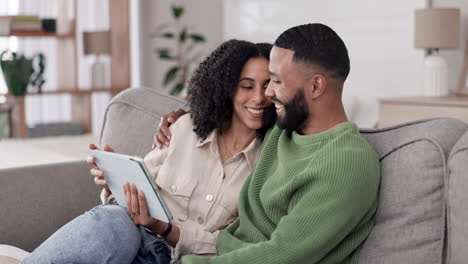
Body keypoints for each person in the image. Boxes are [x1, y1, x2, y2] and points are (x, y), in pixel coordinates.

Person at [22, 40, 276, 264]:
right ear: (227, 88)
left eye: (267, 86)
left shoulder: (269, 164)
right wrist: (114, 184)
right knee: (114, 223)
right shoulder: (183, 129)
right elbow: (125, 203)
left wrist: (163, 228)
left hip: (171, 256)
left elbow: (231, 247)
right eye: (247, 86)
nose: (259, 98)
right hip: (130, 235)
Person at [155, 23, 381, 264]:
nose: (267, 94)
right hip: (204, 251)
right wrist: (184, 118)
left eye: (276, 81)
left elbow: (280, 255)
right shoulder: (284, 132)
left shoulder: (346, 163)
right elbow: (229, 110)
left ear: (315, 86)